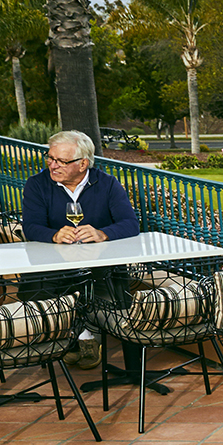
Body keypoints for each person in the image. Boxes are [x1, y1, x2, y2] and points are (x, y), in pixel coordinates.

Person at [21, 129, 142, 368]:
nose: (52, 165)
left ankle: (87, 337)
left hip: (99, 265)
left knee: (112, 290)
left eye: (61, 161)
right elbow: (31, 227)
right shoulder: (37, 184)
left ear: (83, 164)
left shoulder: (107, 184)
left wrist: (103, 234)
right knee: (42, 288)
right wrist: (54, 235)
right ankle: (77, 336)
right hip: (54, 265)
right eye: (50, 158)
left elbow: (130, 223)